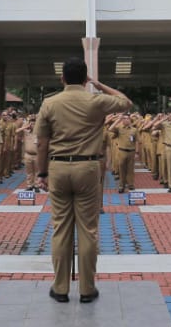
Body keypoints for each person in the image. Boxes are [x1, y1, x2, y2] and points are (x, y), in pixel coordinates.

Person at [34, 58, 133, 304]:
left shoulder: (50, 103)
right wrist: (98, 85)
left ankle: (60, 288)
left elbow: (41, 143)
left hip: (57, 166)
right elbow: (126, 102)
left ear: (63, 78)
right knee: (88, 230)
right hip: (88, 166)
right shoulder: (96, 100)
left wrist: (42, 173)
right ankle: (88, 289)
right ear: (85, 78)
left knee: (61, 229)